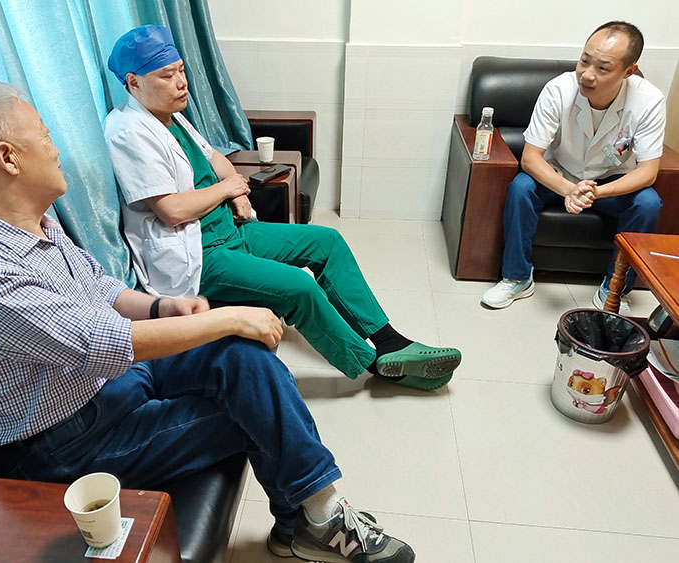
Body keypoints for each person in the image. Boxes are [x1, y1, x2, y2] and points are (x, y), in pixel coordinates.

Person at [0, 80, 416, 563]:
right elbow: (100, 342)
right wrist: (226, 317)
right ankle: (311, 521)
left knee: (247, 361)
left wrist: (164, 307)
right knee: (259, 406)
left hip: (106, 385)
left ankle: (315, 518)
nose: (55, 146)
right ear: (9, 158)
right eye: (44, 134)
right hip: (64, 442)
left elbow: (100, 288)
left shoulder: (30, 220)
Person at [103, 25, 461, 391]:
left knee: (328, 242)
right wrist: (227, 188)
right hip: (199, 255)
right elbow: (172, 210)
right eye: (168, 75)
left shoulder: (171, 115)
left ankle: (389, 341)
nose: (182, 83)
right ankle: (374, 364)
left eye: (181, 70)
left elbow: (216, 160)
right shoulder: (128, 132)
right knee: (298, 286)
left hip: (232, 229)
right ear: (133, 82)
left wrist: (238, 194)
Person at [481, 21, 665, 313]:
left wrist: (596, 192)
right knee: (521, 186)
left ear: (629, 71)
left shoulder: (649, 100)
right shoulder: (559, 89)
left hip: (610, 182)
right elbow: (530, 158)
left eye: (603, 68)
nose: (587, 74)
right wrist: (569, 189)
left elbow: (647, 171)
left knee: (648, 203)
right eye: (584, 61)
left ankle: (614, 289)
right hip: (559, 175)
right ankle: (516, 277)